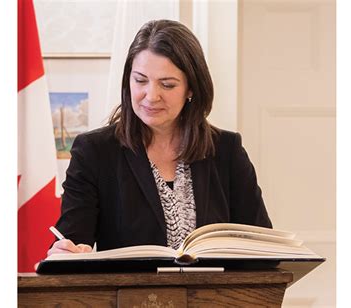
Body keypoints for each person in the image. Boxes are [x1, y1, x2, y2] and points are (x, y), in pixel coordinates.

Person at [47, 19, 272, 256]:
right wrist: (65, 251)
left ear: (191, 89)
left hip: (215, 293)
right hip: (128, 293)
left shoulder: (227, 150)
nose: (151, 96)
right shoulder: (94, 152)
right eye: (140, 80)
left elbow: (262, 247)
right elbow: (70, 240)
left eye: (167, 84)